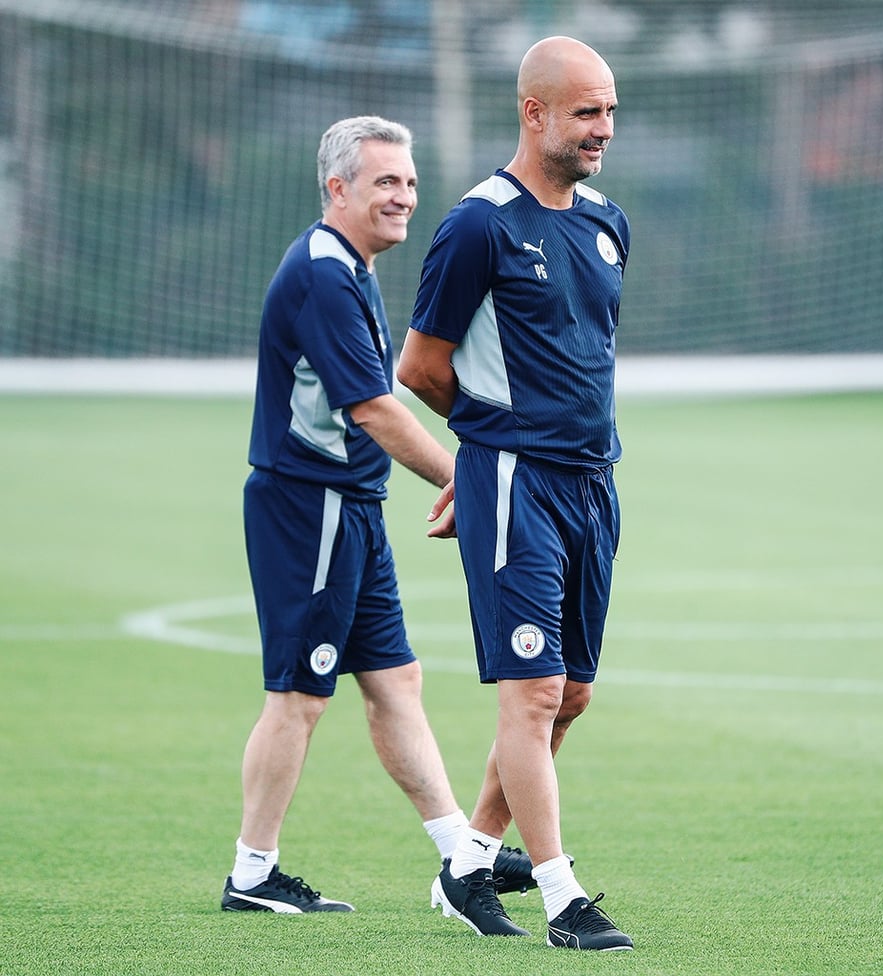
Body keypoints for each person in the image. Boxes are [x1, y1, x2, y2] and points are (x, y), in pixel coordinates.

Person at [221, 116, 533, 913]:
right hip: (308, 506)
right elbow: (375, 411)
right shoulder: (324, 273)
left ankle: (460, 857)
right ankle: (252, 875)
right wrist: (468, 476)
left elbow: (381, 397)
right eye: (386, 182)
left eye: (410, 181)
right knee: (299, 693)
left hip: (351, 505)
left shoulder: (351, 267)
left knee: (396, 681)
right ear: (338, 189)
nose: (405, 196)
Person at [397, 38, 634, 951]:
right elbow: (421, 367)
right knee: (532, 694)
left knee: (569, 695)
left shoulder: (609, 221)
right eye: (586, 112)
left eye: (609, 111)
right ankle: (563, 897)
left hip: (594, 483)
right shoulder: (476, 225)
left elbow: (586, 356)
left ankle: (469, 863)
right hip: (517, 482)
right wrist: (490, 455)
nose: (602, 129)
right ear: (533, 112)